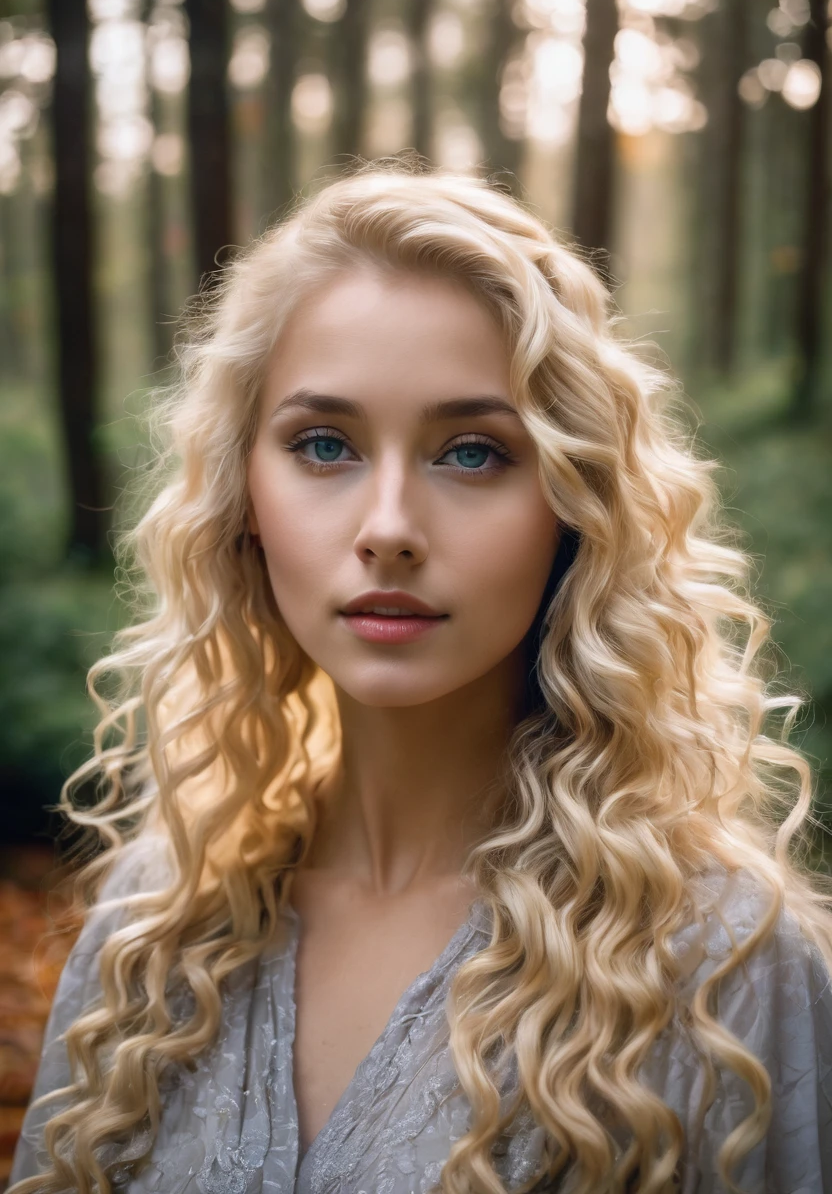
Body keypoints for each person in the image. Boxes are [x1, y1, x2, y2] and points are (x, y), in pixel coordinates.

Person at [9, 161, 832, 1194]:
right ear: (240, 497)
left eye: (472, 453)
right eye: (323, 444)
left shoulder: (723, 963)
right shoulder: (147, 931)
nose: (388, 528)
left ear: (573, 505)